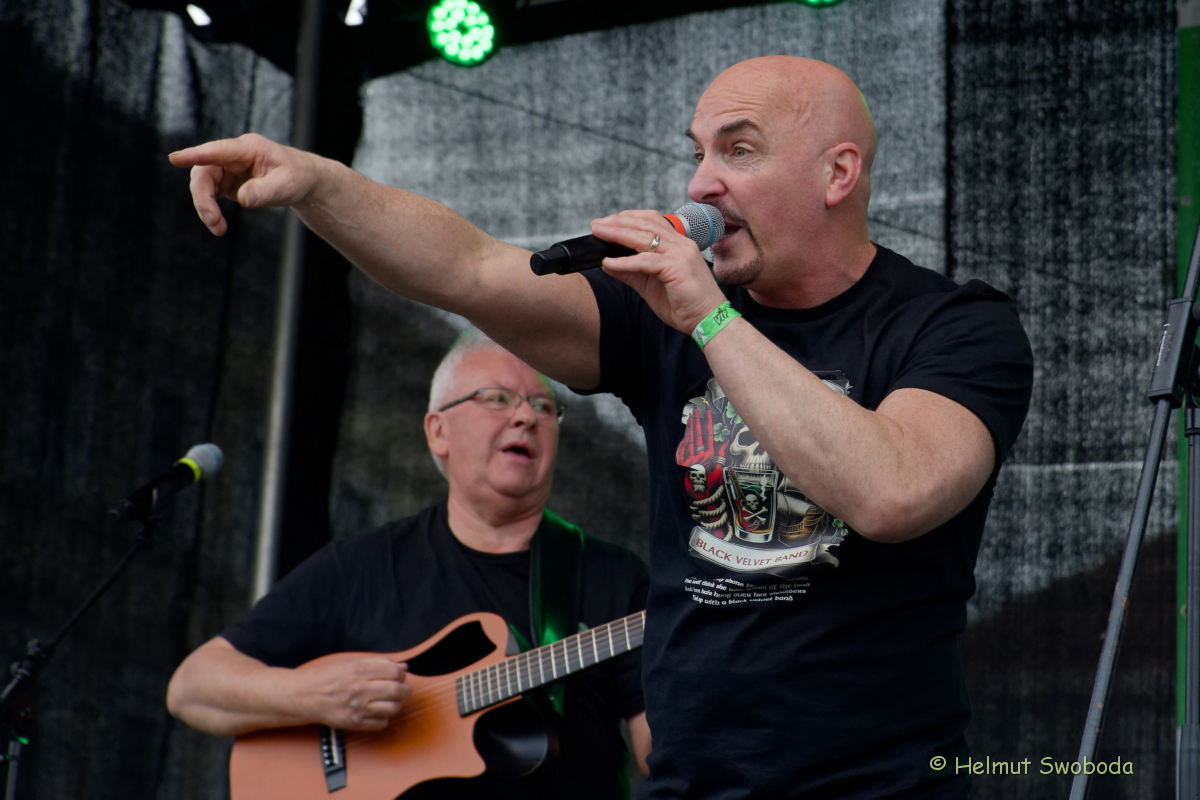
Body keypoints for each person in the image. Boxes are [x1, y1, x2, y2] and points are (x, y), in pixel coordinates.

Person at [170, 55, 1033, 798]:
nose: (700, 184)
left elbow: (892, 492)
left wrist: (708, 318)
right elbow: (470, 268)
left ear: (837, 175)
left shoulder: (954, 328)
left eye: (738, 150)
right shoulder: (663, 317)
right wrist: (322, 185)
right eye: (697, 154)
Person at [166, 332, 651, 799]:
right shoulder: (360, 568)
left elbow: (663, 750)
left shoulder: (613, 577)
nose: (526, 416)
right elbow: (193, 687)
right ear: (438, 431)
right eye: (497, 399)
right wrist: (312, 695)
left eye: (545, 407)